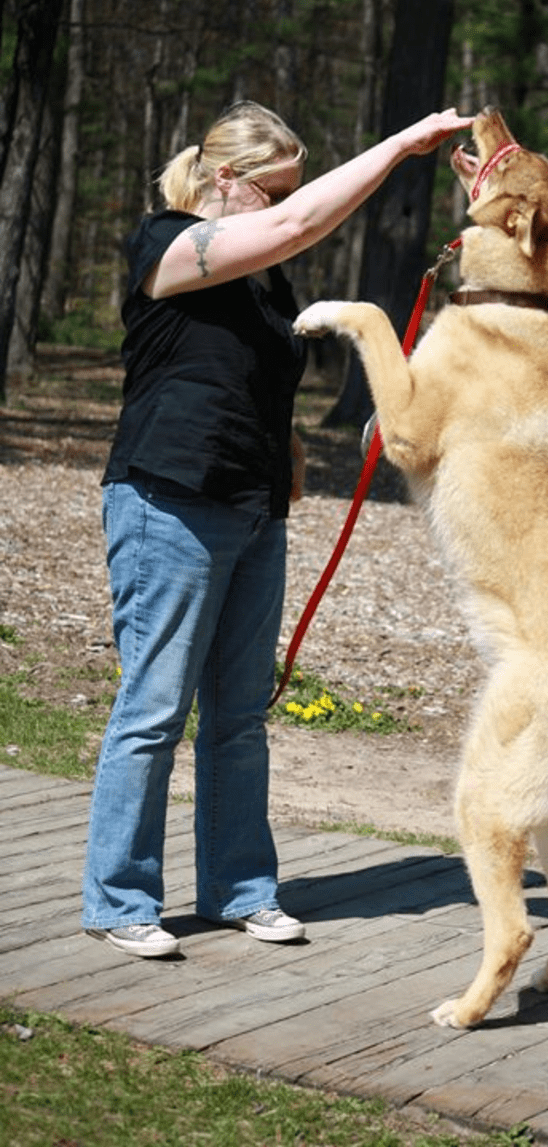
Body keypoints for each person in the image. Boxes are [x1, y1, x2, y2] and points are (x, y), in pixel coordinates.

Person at [82, 99, 473, 958]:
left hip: (254, 506)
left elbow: (250, 376)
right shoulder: (170, 244)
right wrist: (405, 145)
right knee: (154, 707)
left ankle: (239, 890)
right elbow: (298, 224)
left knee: (238, 715)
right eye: (275, 189)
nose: (289, 204)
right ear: (227, 179)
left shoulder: (266, 281)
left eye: (293, 186)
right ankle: (119, 898)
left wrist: (293, 453)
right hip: (168, 498)